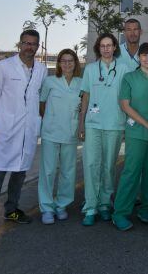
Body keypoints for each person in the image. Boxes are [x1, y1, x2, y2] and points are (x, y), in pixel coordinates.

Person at [0, 29, 47, 237]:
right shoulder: (4, 67)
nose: (29, 47)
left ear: (38, 47)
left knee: (20, 173)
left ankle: (12, 210)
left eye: (33, 44)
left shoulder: (41, 70)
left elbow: (38, 97)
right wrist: (8, 117)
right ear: (19, 45)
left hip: (28, 131)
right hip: (8, 130)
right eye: (25, 43)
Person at [79, 33, 131, 226]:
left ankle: (104, 203)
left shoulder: (124, 68)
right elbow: (85, 97)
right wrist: (81, 123)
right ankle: (90, 207)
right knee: (91, 164)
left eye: (109, 45)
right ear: (98, 48)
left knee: (109, 166)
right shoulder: (91, 69)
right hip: (93, 123)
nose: (106, 49)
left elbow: (127, 97)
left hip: (115, 124)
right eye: (103, 46)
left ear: (115, 47)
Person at [112, 43, 148, 231]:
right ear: (139, 58)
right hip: (137, 133)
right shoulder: (129, 78)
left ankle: (146, 209)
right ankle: (120, 213)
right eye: (144, 55)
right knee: (131, 173)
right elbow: (125, 105)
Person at [38, 48, 83, 225]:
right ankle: (47, 208)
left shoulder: (81, 82)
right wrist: (50, 120)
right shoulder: (50, 81)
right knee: (48, 171)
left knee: (68, 171)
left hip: (71, 133)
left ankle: (61, 205)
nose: (67, 64)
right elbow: (41, 105)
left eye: (70, 60)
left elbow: (83, 107)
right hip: (51, 133)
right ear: (58, 64)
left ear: (75, 63)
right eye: (63, 61)